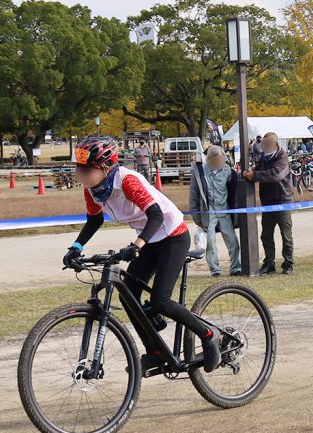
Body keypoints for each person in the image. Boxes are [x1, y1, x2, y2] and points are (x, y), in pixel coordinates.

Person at [62, 137, 220, 372]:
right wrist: (76, 247)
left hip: (172, 235)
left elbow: (156, 215)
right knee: (129, 296)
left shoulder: (127, 181)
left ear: (105, 166)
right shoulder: (94, 190)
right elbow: (94, 220)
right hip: (148, 238)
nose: (79, 173)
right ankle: (155, 351)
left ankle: (208, 336)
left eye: (86, 169)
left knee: (161, 301)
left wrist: (137, 245)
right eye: (77, 167)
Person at [244, 132, 295, 275]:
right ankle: (269, 264)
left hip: (282, 201)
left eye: (268, 144)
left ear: (275, 145)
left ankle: (288, 263)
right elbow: (256, 173)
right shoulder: (263, 159)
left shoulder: (282, 157)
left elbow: (276, 175)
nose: (265, 147)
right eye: (263, 144)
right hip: (267, 203)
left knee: (286, 234)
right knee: (266, 235)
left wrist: (256, 175)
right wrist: (250, 174)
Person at [190, 145, 241, 277]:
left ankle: (235, 267)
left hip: (223, 211)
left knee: (233, 241)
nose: (219, 164)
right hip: (208, 213)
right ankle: (215, 270)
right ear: (209, 160)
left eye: (221, 161)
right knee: (210, 243)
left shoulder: (228, 171)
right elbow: (193, 196)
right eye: (216, 161)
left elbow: (233, 188)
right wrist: (197, 219)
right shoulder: (199, 173)